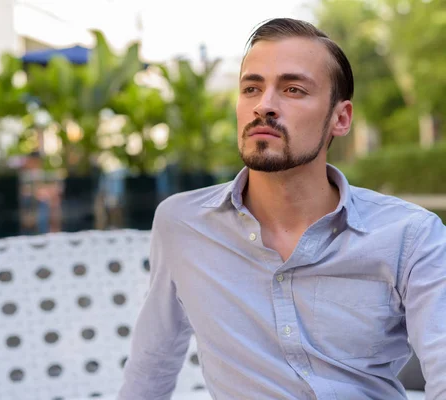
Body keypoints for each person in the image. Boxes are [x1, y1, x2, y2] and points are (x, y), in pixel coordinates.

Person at [117, 18, 446, 400]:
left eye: (292, 89)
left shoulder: (410, 236)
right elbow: (152, 364)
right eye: (251, 88)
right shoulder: (182, 224)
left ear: (340, 118)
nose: (264, 106)